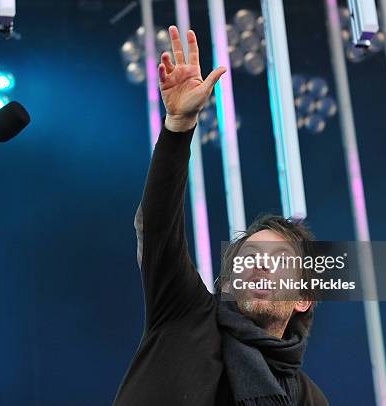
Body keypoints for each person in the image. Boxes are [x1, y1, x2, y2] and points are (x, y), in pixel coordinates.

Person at [114, 26, 328, 406]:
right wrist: (178, 128)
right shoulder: (184, 313)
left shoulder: (307, 398)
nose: (261, 267)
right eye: (250, 258)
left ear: (303, 298)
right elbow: (159, 226)